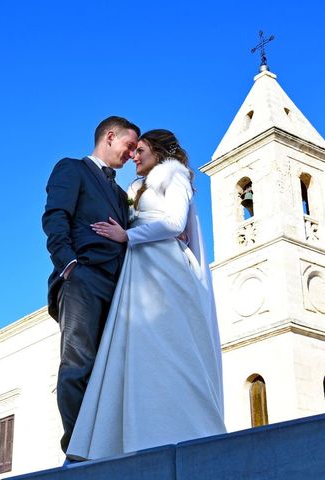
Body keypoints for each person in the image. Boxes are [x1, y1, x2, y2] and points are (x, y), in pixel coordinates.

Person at [66, 129, 226, 460]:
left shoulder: (173, 174)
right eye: (133, 150)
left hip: (164, 269)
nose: (134, 157)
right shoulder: (135, 187)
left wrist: (127, 235)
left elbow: (174, 221)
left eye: (140, 150)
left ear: (158, 150)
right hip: (137, 272)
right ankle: (129, 436)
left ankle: (183, 428)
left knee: (168, 347)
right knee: (136, 351)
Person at [42, 116, 140, 455]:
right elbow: (56, 216)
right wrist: (68, 264)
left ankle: (103, 446)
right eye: (129, 146)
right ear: (110, 137)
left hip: (117, 288)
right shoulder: (71, 168)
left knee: (109, 369)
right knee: (78, 363)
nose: (132, 155)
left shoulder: (120, 192)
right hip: (81, 278)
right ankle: (78, 448)